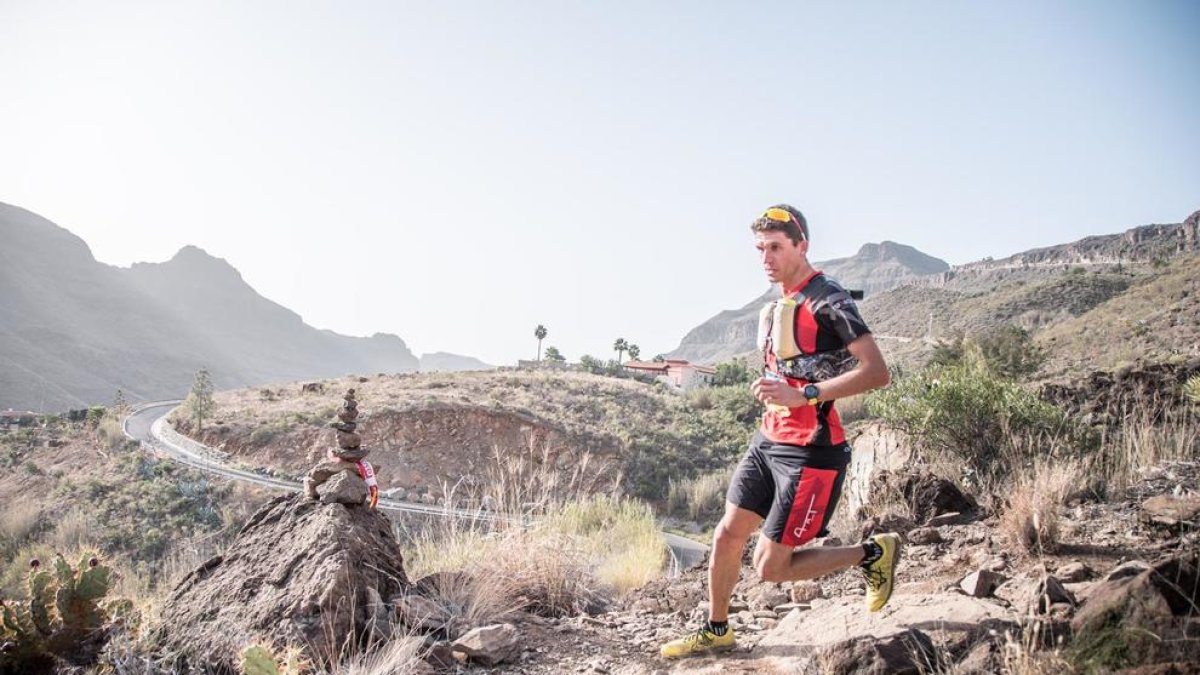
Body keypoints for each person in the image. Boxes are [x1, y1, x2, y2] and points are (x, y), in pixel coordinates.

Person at [660, 204, 899, 659]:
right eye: (760, 249)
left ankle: (872, 554)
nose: (765, 257)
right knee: (727, 535)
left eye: (775, 247)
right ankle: (717, 629)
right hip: (768, 442)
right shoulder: (778, 306)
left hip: (812, 450)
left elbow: (877, 372)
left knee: (771, 568)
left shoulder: (829, 300)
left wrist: (804, 394)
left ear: (801, 246)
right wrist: (776, 393)